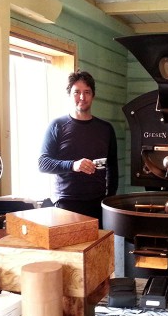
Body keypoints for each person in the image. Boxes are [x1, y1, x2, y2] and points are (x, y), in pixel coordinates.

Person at [38, 70, 118, 227]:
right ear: (69, 95)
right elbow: (43, 163)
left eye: (87, 92)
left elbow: (112, 167)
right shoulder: (57, 126)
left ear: (93, 95)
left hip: (98, 204)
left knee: (96, 249)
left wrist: (109, 198)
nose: (82, 97)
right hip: (66, 205)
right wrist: (73, 165)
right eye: (77, 92)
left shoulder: (106, 128)